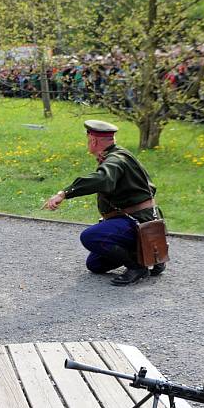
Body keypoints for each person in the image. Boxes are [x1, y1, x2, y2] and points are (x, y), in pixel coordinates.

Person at [43, 120, 165, 286]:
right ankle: (148, 253)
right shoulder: (120, 154)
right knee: (95, 265)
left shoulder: (115, 160)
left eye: (88, 139)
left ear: (93, 140)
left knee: (90, 236)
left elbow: (103, 179)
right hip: (143, 219)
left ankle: (137, 267)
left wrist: (64, 193)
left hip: (137, 221)